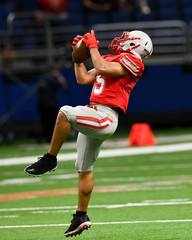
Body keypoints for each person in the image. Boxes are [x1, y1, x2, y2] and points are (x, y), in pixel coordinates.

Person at [24, 29, 153, 237]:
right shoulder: (113, 58)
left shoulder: (135, 63)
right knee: (84, 169)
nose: (122, 40)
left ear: (135, 45)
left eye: (127, 39)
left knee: (65, 112)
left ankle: (49, 159)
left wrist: (92, 47)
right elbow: (83, 78)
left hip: (106, 116)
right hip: (95, 114)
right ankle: (80, 216)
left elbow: (102, 67)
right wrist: (77, 57)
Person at [37, 68, 68, 142]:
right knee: (53, 121)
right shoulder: (53, 79)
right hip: (50, 103)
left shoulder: (42, 78)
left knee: (45, 121)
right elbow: (63, 85)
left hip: (41, 103)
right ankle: (51, 137)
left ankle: (45, 137)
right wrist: (59, 76)